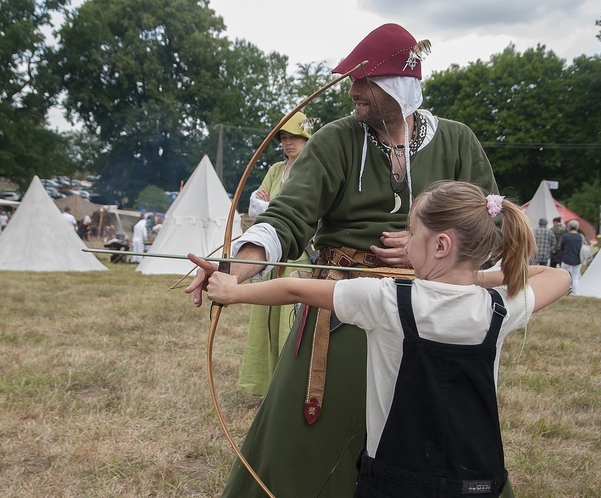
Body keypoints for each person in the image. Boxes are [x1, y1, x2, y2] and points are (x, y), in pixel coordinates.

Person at [186, 23, 500, 497]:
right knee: (300, 446)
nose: (353, 90)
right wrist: (234, 269)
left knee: (443, 444)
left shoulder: (457, 143)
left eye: (364, 82)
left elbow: (488, 225)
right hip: (342, 308)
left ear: (397, 87)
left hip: (433, 310)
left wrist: (432, 251)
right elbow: (287, 219)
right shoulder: (336, 140)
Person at [194, 181, 570, 497]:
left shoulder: (386, 299)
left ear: (440, 246)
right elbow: (558, 278)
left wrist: (232, 290)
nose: (407, 245)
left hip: (393, 479)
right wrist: (480, 277)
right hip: (475, 479)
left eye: (413, 234)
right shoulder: (497, 310)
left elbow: (296, 288)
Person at [239, 111, 314, 398]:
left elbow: (307, 214)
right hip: (271, 253)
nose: (288, 143)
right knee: (265, 320)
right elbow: (255, 205)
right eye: (283, 137)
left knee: (291, 323)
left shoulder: (313, 169)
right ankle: (267, 387)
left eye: (294, 136)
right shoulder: (274, 169)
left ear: (306, 138)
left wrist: (274, 206)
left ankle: (290, 391)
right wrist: (275, 208)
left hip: (299, 256)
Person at [560, 220, 584, 294]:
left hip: (566, 258)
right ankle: (575, 293)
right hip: (577, 259)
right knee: (575, 276)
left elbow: (562, 247)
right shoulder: (580, 237)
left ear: (569, 227)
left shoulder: (565, 236)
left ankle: (563, 291)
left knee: (564, 276)